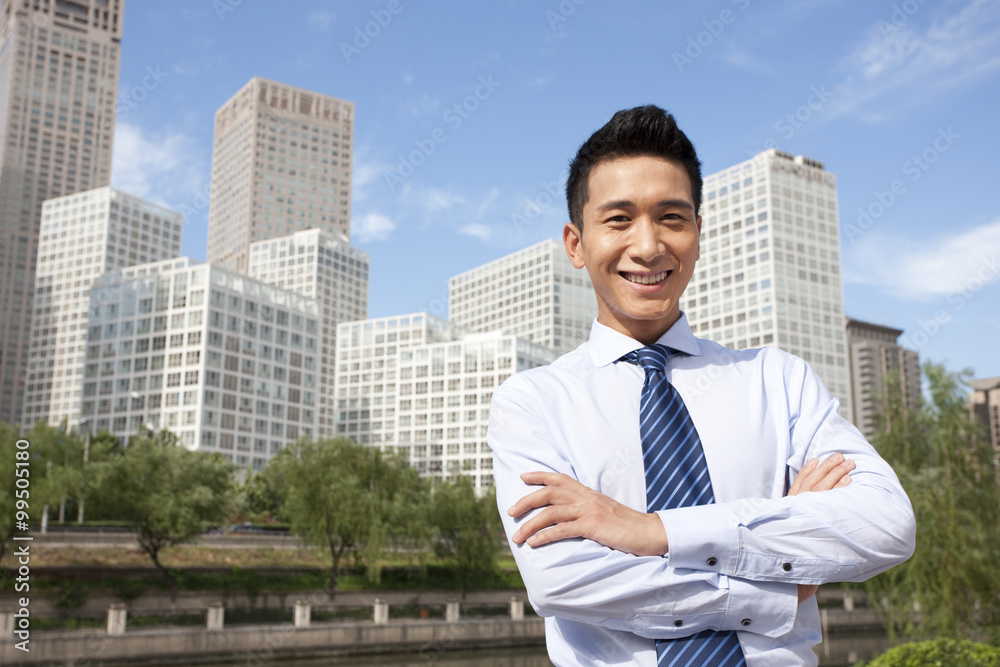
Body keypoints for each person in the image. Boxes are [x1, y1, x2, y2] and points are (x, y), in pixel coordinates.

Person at [487, 105, 916, 666]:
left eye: (671, 217)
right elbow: (563, 582)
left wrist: (652, 532)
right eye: (619, 220)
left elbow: (885, 525)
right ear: (575, 243)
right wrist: (779, 583)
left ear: (696, 233)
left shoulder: (778, 380)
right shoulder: (532, 401)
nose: (647, 246)